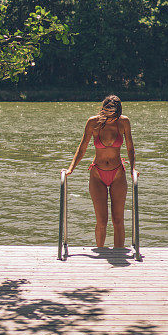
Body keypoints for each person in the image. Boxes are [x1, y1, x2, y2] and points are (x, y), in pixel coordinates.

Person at [65, 94, 136, 248]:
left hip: (118, 173)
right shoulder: (93, 122)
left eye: (114, 113)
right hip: (97, 173)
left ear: (118, 111)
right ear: (103, 110)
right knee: (102, 221)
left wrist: (133, 168)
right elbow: (82, 147)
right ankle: (101, 251)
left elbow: (130, 147)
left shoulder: (124, 122)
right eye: (108, 112)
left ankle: (118, 252)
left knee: (118, 220)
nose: (111, 117)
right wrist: (71, 168)